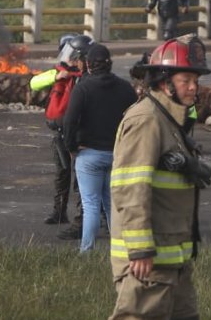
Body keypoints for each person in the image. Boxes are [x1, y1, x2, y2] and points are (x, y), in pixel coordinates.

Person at [110, 36, 211, 320]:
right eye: (185, 80)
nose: (193, 87)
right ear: (164, 82)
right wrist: (140, 248)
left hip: (173, 259)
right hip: (149, 263)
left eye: (196, 80)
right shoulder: (146, 120)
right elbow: (130, 188)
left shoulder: (169, 120)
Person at [62, 43, 138, 254]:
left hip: (88, 154)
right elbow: (136, 119)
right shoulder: (125, 88)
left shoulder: (83, 88)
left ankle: (87, 251)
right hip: (118, 155)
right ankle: (121, 252)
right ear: (109, 63)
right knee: (112, 205)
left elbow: (69, 121)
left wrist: (71, 147)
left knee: (91, 205)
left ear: (88, 64)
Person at [30, 34, 91, 229]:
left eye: (73, 56)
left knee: (81, 177)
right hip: (60, 133)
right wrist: (56, 77)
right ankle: (59, 212)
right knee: (62, 174)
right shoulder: (60, 72)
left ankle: (83, 217)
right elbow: (34, 82)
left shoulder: (88, 78)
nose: (69, 59)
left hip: (80, 134)